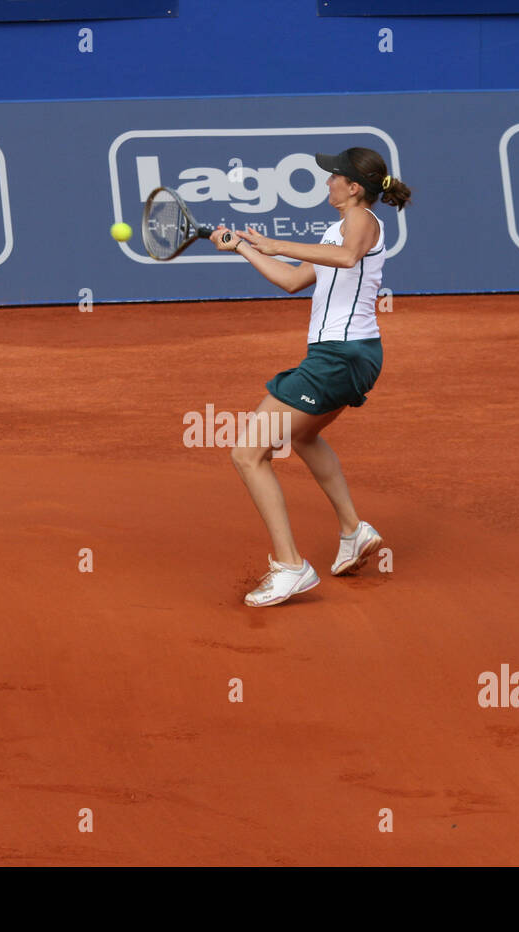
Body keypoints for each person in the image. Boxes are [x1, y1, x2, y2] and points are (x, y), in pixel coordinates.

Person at [208, 147, 412, 607]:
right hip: (347, 355)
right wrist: (243, 246)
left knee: (247, 453)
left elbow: (345, 257)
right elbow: (294, 281)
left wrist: (277, 242)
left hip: (339, 357)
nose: (326, 183)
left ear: (353, 187)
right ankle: (354, 531)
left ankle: (290, 567)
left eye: (333, 176)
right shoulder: (335, 229)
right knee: (303, 438)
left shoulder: (361, 222)